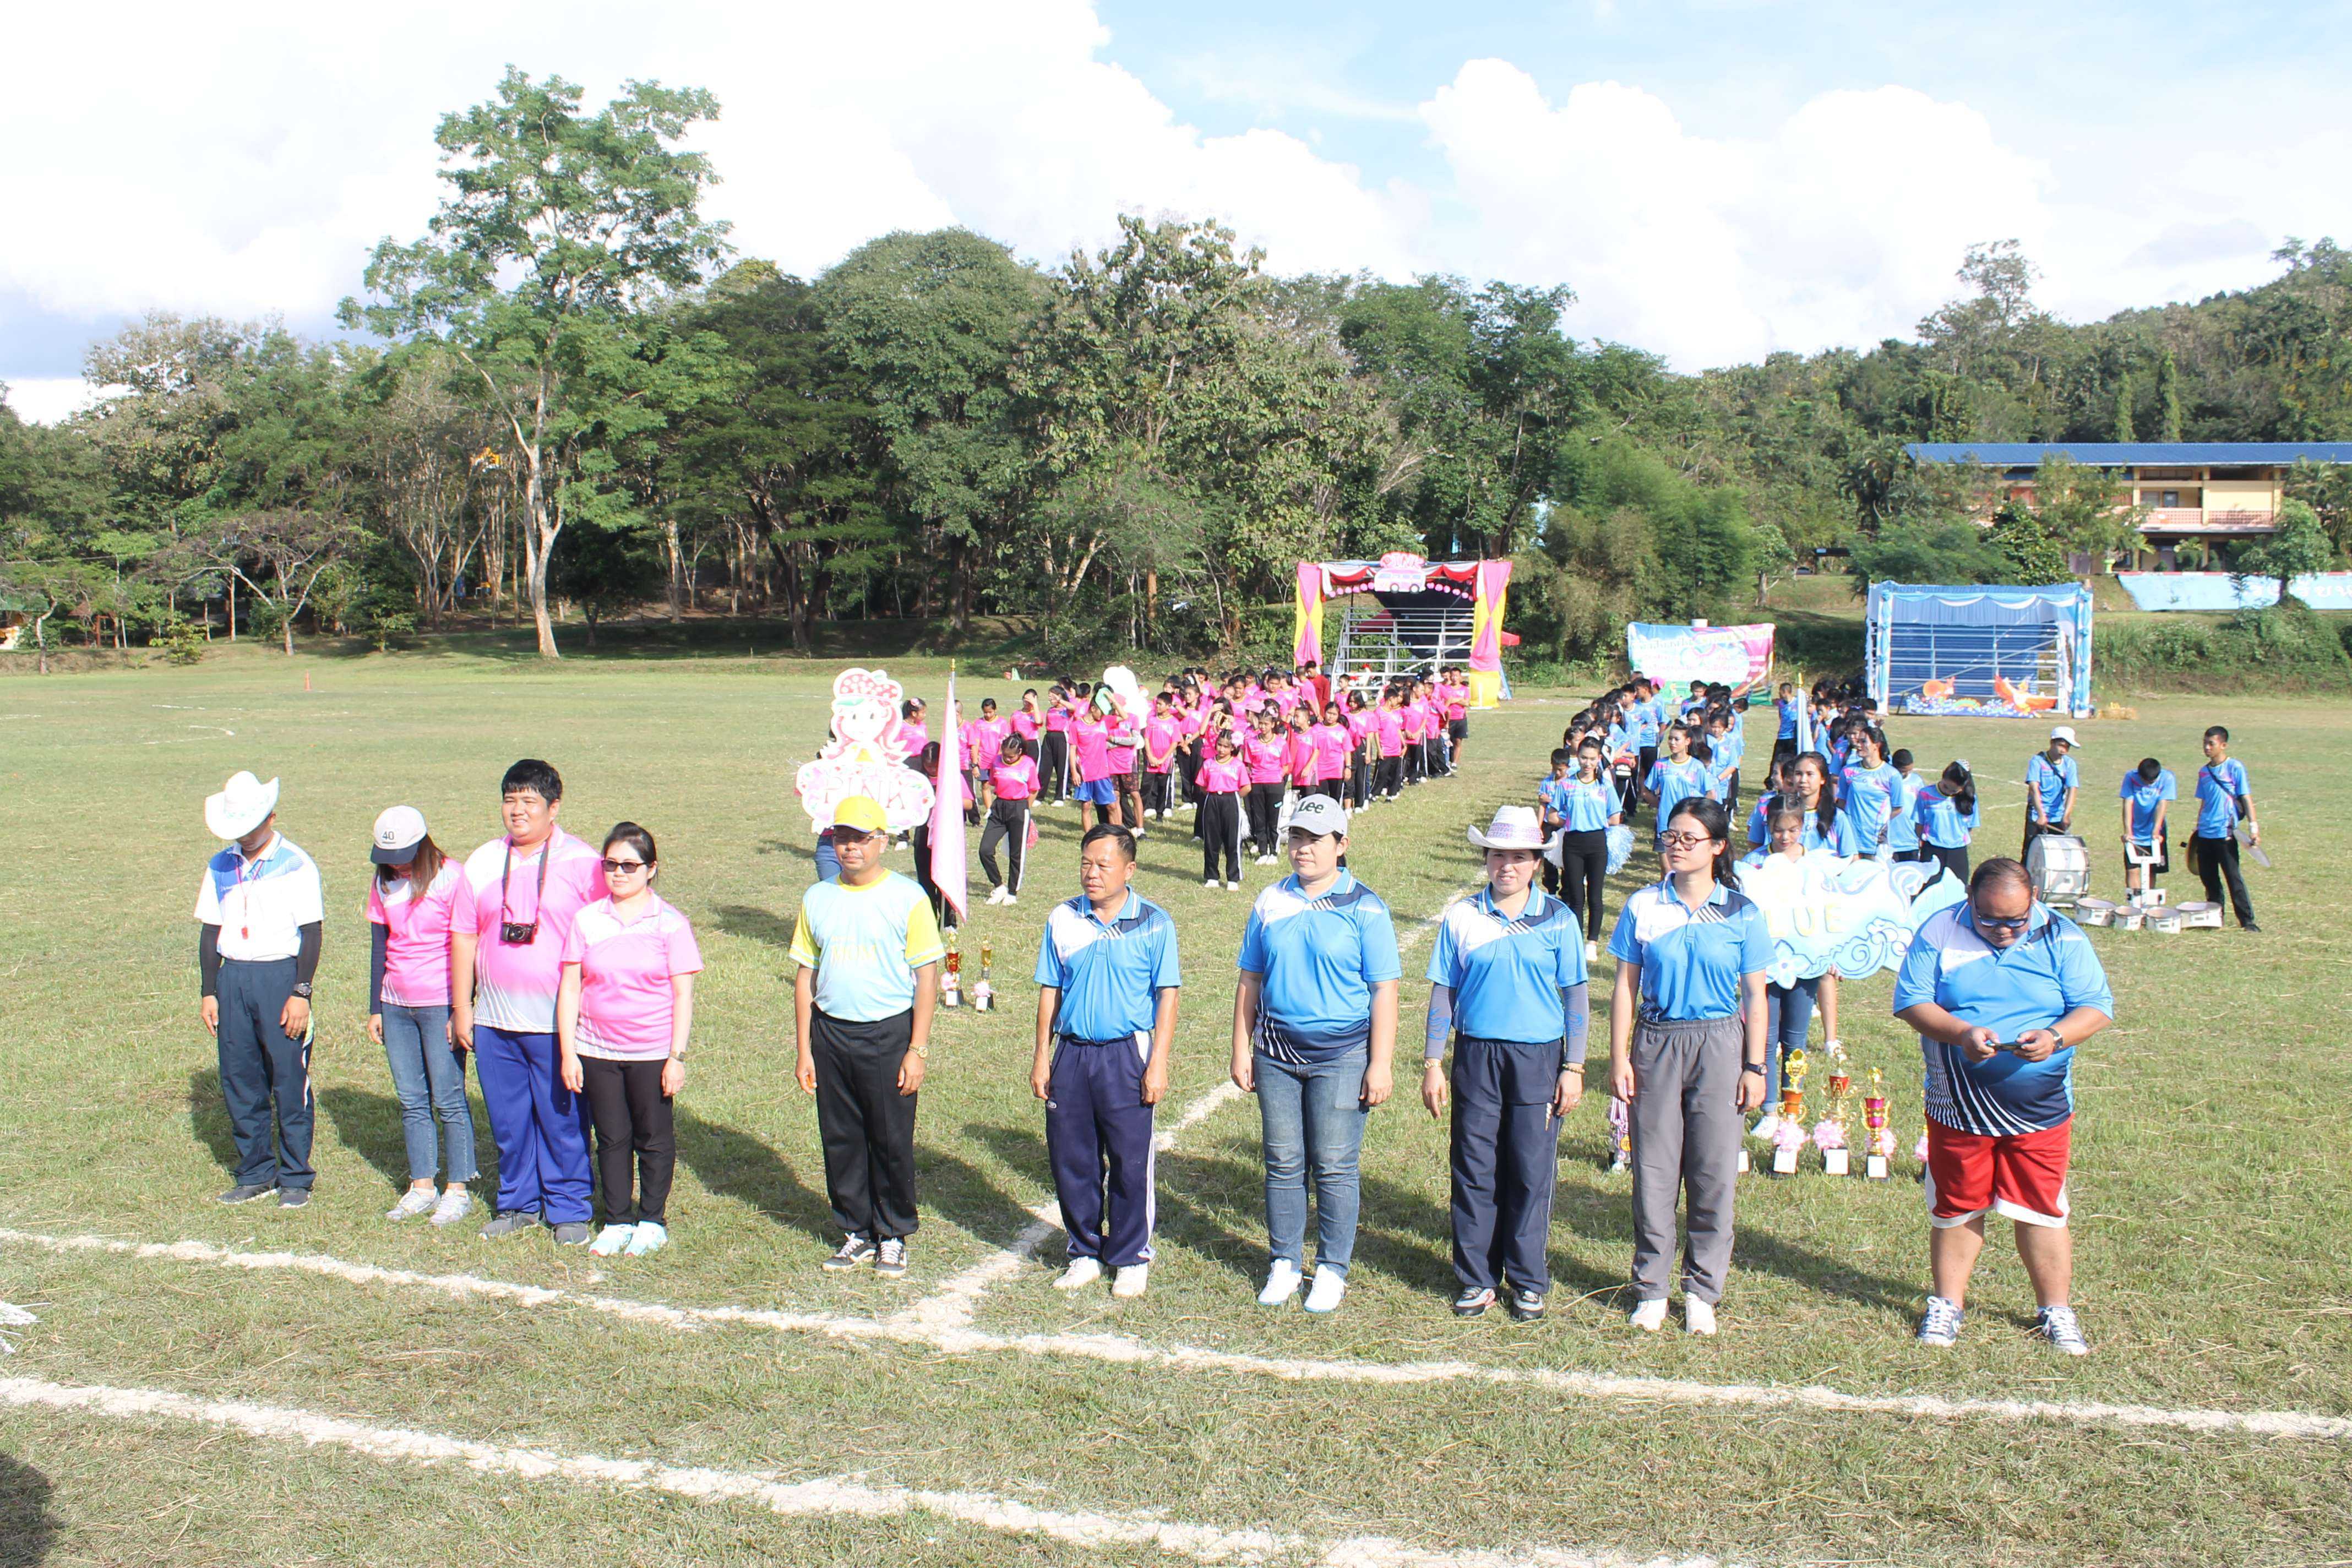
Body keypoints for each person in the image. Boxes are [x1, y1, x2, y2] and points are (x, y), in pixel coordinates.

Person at [1893, 859, 2114, 1355]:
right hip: (1958, 1103)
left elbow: (2096, 1006)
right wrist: (1962, 1034)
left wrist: (2056, 1037)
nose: (2004, 931)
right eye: (1989, 919)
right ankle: (1947, 1305)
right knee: (1957, 1204)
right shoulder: (1939, 930)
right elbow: (1911, 1001)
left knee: (2043, 1207)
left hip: (2041, 1108)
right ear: (1969, 899)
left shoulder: (2063, 935)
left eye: (2017, 920)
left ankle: (2055, 1310)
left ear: (2034, 898)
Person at [1605, 797, 1771, 1335]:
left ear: (1718, 847)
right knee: (1653, 1171)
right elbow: (1625, 987)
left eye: (1689, 839)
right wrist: (1620, 1056)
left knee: (1713, 1172)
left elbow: (1757, 996)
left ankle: (1702, 1290)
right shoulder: (1643, 905)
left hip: (1721, 1043)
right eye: (1670, 837)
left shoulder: (1743, 912)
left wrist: (1754, 1067)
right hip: (1657, 1041)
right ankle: (1651, 1288)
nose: (1676, 847)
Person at [1232, 794, 1401, 1314]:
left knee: (1333, 1164)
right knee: (1283, 1162)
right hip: (1276, 1054)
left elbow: (1385, 990)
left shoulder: (1366, 907)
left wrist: (1380, 1063)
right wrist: (1241, 1047)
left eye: (1315, 839)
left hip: (1343, 1056)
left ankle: (1331, 1268)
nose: (1303, 848)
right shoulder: (1271, 900)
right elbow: (1251, 978)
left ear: (1341, 845)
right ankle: (1284, 1262)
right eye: (1296, 837)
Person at [1422, 807, 1588, 1321]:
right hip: (1477, 1055)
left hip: (1539, 1058)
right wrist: (1433, 1061)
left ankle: (1528, 1279)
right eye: (1498, 855)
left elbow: (1576, 996)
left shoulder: (1559, 919)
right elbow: (1444, 992)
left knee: (1530, 1168)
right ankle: (1477, 1277)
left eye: (1519, 856)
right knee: (1474, 1166)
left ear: (1537, 862)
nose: (1507, 866)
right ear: (1486, 858)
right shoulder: (1462, 916)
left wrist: (1574, 1067)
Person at [452, 759, 606, 1244]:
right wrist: (463, 1007)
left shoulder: (584, 863)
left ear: (553, 808)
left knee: (563, 1119)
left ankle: (570, 1209)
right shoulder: (482, 861)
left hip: (557, 1022)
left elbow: (602, 936)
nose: (517, 811)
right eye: (510, 800)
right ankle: (518, 1204)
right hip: (494, 1020)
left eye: (529, 801)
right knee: (509, 1121)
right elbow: (464, 936)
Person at [791, 796, 944, 1277]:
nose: (850, 847)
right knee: (841, 1136)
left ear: (882, 841)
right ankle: (855, 1229)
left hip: (887, 1032)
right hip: (831, 1033)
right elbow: (805, 976)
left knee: (889, 1137)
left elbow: (927, 976)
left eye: (860, 838)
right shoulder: (818, 898)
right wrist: (804, 1050)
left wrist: (916, 1049)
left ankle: (893, 1233)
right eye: (842, 837)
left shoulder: (908, 897)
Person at [1032, 825, 1182, 1298]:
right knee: (1071, 1157)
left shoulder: (1155, 923)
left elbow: (1168, 995)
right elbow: (1050, 990)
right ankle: (1083, 1251)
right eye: (1086, 863)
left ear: (1129, 870)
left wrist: (1158, 1062)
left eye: (1103, 865)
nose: (1092, 874)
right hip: (1072, 1054)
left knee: (1129, 1159)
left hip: (1127, 1055)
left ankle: (1131, 1255)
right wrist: (1041, 1055)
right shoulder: (1062, 918)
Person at [558, 823, 702, 1257]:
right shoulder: (587, 920)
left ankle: (652, 1220)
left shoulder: (670, 924)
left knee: (652, 1137)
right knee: (611, 1137)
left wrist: (676, 1057)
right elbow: (570, 988)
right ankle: (618, 1219)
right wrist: (569, 1052)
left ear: (651, 869)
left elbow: (682, 994)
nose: (618, 873)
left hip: (652, 1052)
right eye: (610, 865)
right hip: (596, 1050)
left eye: (629, 866)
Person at [194, 770, 325, 1208]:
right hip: (233, 978)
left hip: (279, 977)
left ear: (271, 817)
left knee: (289, 1078)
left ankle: (295, 1177)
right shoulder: (220, 864)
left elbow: (312, 931)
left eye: (252, 825)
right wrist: (209, 990)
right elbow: (210, 930)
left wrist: (301, 992)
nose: (245, 835)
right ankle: (255, 1172)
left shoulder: (297, 864)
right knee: (240, 1077)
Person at [365, 805, 477, 1226]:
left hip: (440, 1004)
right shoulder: (384, 881)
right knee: (412, 1099)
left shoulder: (453, 878)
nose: (396, 864)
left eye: (404, 856)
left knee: (448, 1098)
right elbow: (381, 944)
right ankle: (422, 1186)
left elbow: (467, 946)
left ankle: (458, 1189)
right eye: (389, 857)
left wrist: (460, 1009)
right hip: (396, 1005)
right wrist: (376, 1007)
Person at [1553, 739, 1619, 962]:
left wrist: (1597, 820)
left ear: (1599, 759)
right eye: (1584, 758)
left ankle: (1592, 942)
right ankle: (1576, 940)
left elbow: (1615, 817)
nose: (1587, 763)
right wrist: (1569, 820)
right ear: (1577, 758)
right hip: (1573, 844)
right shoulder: (1567, 785)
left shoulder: (1605, 786)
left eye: (1592, 759)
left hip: (1597, 843)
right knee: (1575, 896)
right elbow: (1553, 815)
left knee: (1595, 895)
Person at [2190, 726, 2260, 931]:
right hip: (2205, 833)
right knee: (2209, 879)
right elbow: (2204, 802)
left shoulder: (2234, 767)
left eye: (2211, 744)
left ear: (2223, 745)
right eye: (2205, 743)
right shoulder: (2204, 772)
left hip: (2225, 833)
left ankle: (2247, 921)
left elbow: (2246, 798)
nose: (2207, 747)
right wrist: (2197, 827)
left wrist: (2254, 828)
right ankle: (2214, 917)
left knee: (2233, 878)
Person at [980, 734, 1038, 906]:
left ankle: (1013, 892)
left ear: (1020, 752)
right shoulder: (996, 761)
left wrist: (1025, 810)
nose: (1007, 759)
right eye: (1005, 755)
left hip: (1019, 808)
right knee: (985, 850)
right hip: (999, 808)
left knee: (1016, 854)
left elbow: (1034, 789)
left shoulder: (1028, 764)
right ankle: (999, 886)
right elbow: (992, 783)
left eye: (1011, 756)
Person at [1834, 727, 1902, 859]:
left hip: (1876, 841)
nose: (1858, 745)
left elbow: (1898, 808)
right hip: (1852, 838)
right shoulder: (1848, 772)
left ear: (1877, 745)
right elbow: (1842, 802)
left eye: (1863, 741)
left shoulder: (1892, 775)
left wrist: (1883, 824)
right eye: (1858, 741)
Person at [1641, 724, 1711, 853]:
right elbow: (1646, 791)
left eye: (1677, 739)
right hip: (1665, 823)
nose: (1672, 743)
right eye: (1670, 739)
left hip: (1689, 822)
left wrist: (1698, 812)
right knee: (1667, 864)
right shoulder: (1661, 765)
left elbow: (1710, 794)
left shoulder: (1697, 766)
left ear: (1687, 741)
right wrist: (1659, 804)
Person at [1195, 731, 1250, 890]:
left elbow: (1246, 787)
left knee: (1232, 841)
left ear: (1232, 748)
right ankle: (1212, 876)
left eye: (1226, 746)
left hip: (1231, 801)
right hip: (1212, 800)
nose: (1222, 749)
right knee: (1211, 840)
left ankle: (1233, 878)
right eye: (1219, 745)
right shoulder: (1208, 764)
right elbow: (1202, 785)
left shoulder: (1238, 765)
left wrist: (1233, 797)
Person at [2117, 756, 2176, 902]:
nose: (2148, 784)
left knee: (2151, 870)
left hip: (2155, 832)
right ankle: (2135, 905)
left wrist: (2156, 830)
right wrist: (2128, 831)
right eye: (2146, 782)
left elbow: (2162, 804)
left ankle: (2148, 903)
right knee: (2132, 869)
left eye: (2152, 782)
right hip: (2136, 831)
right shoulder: (2131, 777)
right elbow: (2128, 803)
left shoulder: (2167, 778)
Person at [1915, 761, 1979, 885]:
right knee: (1928, 890)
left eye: (1954, 791)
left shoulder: (1970, 799)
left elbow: (1969, 827)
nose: (1949, 792)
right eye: (1946, 787)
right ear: (1943, 777)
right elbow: (1919, 824)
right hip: (1932, 850)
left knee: (1958, 890)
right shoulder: (1925, 794)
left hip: (1958, 852)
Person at [2024, 726, 2081, 860]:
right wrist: (2041, 815)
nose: (2064, 750)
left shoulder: (2070, 764)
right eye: (2061, 746)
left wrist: (2066, 815)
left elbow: (2072, 789)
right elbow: (2034, 788)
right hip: (2037, 815)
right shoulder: (2038, 761)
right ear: (2052, 742)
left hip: (2057, 816)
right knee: (2031, 854)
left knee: (2057, 855)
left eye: (2067, 747)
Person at [1242, 710, 1289, 863]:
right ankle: (1263, 852)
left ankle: (1273, 852)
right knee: (1260, 819)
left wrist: (1277, 776)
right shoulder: (1251, 742)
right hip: (1257, 784)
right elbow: (1248, 764)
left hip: (1275, 785)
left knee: (1273, 821)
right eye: (1261, 723)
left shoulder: (1281, 743)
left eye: (1266, 724)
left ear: (1273, 725)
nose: (1263, 727)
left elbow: (1286, 766)